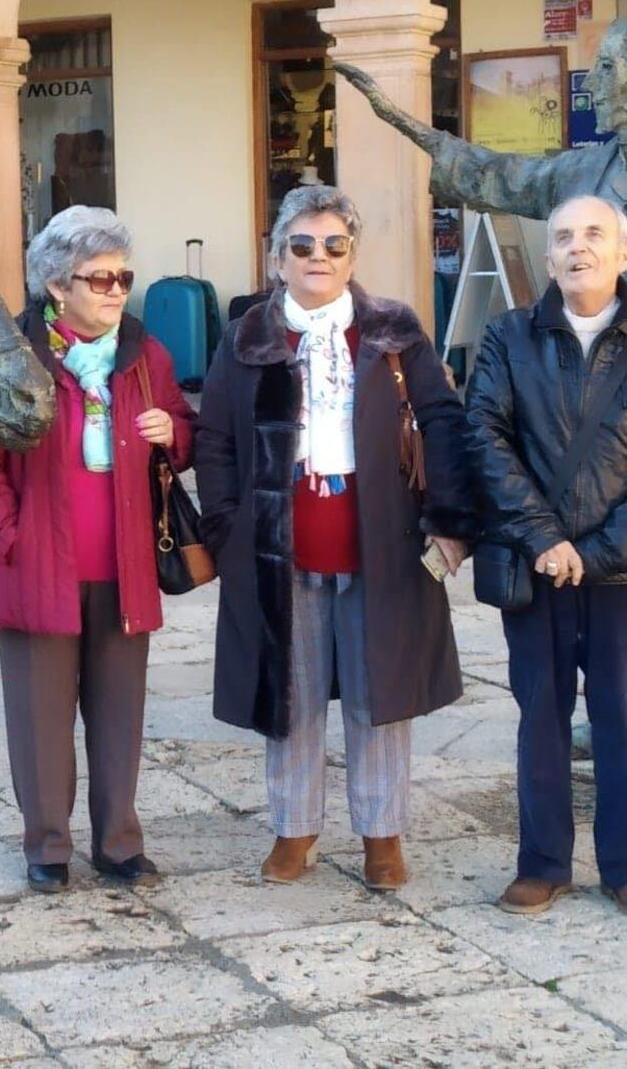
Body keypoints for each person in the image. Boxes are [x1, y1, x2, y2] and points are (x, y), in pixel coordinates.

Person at [195, 185, 476, 891]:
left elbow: (442, 422)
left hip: (382, 541)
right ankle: (295, 830)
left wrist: (447, 519)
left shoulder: (394, 330)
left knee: (379, 695)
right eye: (302, 245)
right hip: (278, 546)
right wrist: (229, 529)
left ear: (352, 256)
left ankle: (382, 834)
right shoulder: (247, 336)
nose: (318, 257)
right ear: (275, 258)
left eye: (333, 245)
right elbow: (217, 440)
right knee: (289, 695)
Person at [0, 206, 194, 894]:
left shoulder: (148, 358)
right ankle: (48, 848)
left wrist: (168, 431)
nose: (117, 291)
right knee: (40, 721)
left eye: (124, 277)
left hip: (125, 567)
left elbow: (185, 429)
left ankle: (119, 844)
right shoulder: (9, 359)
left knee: (120, 717)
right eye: (101, 278)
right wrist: (13, 539)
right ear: (58, 285)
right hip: (37, 571)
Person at [465, 193, 627, 916]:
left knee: (624, 718)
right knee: (541, 719)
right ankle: (543, 862)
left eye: (594, 234)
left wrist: (589, 553)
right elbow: (485, 438)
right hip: (536, 566)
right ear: (548, 254)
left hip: (619, 571)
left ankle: (621, 866)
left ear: (621, 251)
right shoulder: (508, 336)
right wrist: (546, 539)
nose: (577, 247)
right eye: (563, 236)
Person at [336, 18, 627, 222]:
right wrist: (398, 119)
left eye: (606, 67)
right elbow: (500, 173)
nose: (590, 82)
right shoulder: (584, 171)